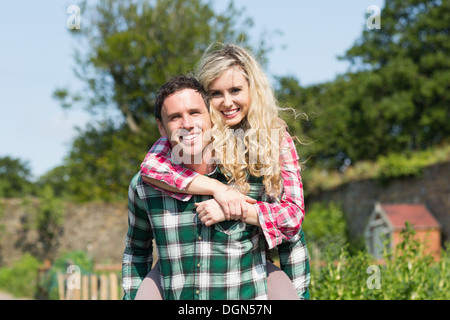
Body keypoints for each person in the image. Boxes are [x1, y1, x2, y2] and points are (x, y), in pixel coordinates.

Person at [138, 43, 310, 299]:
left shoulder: (274, 138)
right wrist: (217, 188)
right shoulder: (194, 134)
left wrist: (236, 209)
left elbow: (293, 217)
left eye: (236, 90)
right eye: (216, 93)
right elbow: (151, 168)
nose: (227, 102)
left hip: (249, 270)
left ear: (253, 90)